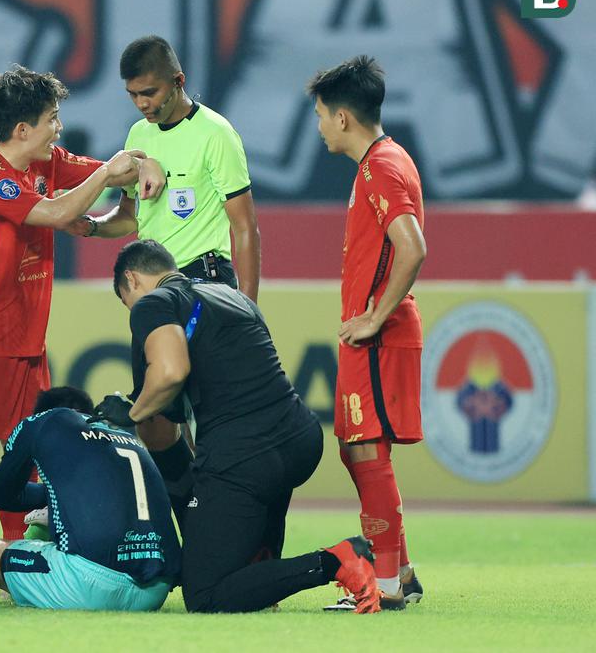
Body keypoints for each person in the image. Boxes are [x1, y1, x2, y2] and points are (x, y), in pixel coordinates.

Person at [0, 64, 162, 562]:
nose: (60, 128)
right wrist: (105, 177)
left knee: (29, 462)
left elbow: (113, 171)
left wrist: (143, 166)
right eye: (53, 119)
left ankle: (16, 565)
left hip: (29, 349)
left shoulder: (48, 162)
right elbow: (59, 212)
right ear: (22, 130)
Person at [100, 239, 381, 614]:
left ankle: (338, 559)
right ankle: (261, 570)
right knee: (248, 575)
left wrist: (130, 414)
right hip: (299, 439)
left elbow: (169, 372)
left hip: (245, 456)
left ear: (132, 280)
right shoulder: (231, 295)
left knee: (205, 595)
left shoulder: (153, 304)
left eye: (125, 301)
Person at [81, 34, 262, 528]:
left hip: (204, 284)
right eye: (134, 96)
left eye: (151, 93)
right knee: (157, 423)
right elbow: (129, 219)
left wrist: (248, 306)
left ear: (178, 82)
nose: (144, 104)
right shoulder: (139, 139)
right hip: (155, 300)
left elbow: (244, 225)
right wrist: (93, 226)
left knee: (214, 426)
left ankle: (231, 530)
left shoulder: (215, 133)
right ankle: (194, 518)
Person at [307, 55, 427, 610]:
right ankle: (398, 572)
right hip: (373, 335)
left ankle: (383, 586)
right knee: (357, 450)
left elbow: (413, 246)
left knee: (362, 451)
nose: (319, 125)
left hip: (378, 336)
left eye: (320, 115)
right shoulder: (384, 160)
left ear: (342, 118)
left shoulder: (380, 167)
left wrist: (376, 316)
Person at [0, 388, 179, 611]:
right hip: (155, 591)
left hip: (90, 586)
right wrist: (62, 497)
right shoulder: (125, 436)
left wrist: (54, 498)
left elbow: (1, 496)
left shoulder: (42, 422)